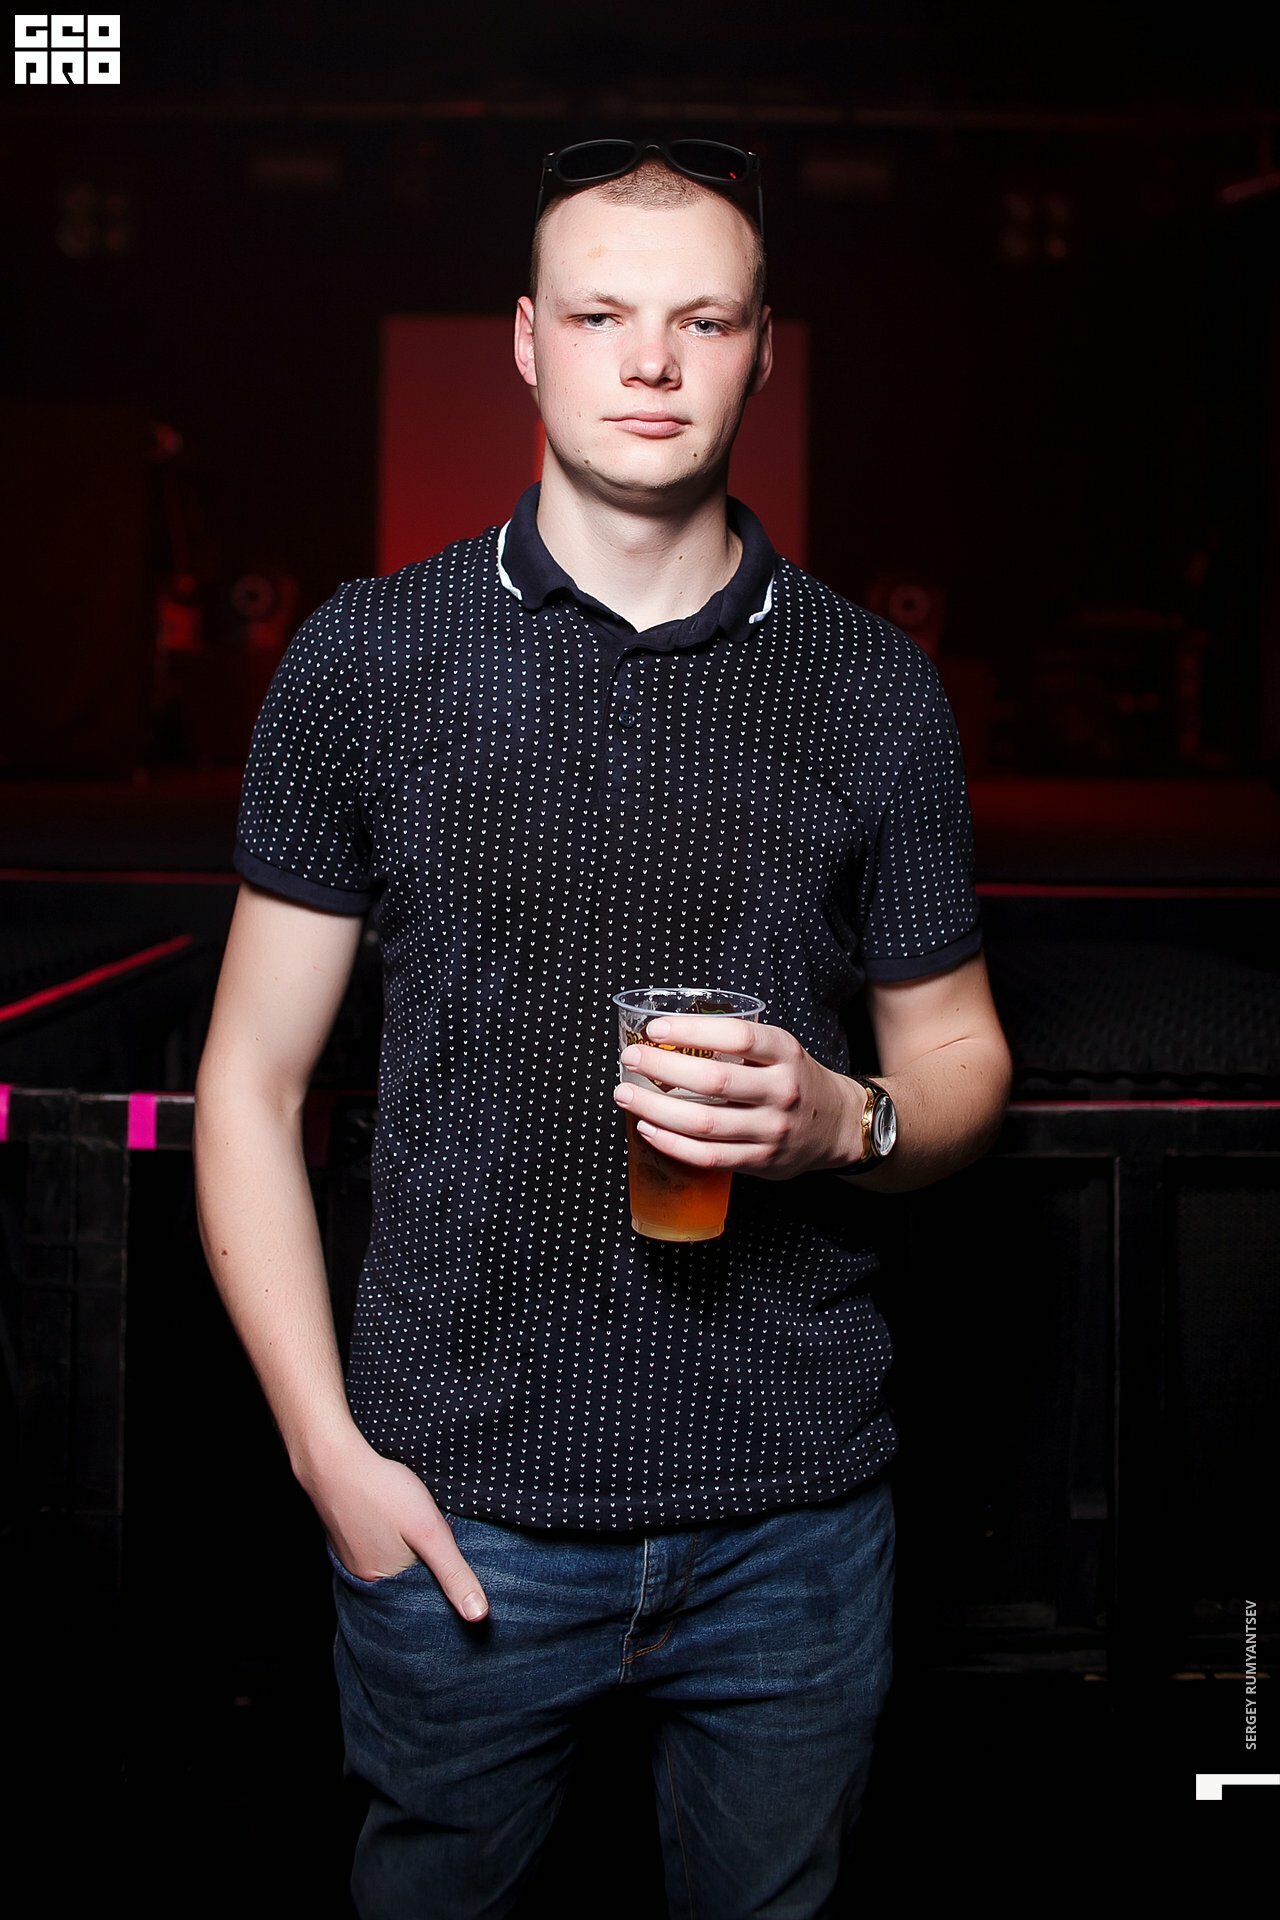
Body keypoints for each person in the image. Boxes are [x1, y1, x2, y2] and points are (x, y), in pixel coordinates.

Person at [193, 136, 1013, 1919]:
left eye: (703, 319)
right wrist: (329, 1458)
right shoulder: (367, 659)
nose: (651, 361)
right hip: (455, 1512)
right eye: (600, 316)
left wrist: (844, 1121)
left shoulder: (873, 687)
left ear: (762, 351)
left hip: (794, 1522)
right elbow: (248, 1081)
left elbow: (961, 1058)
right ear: (524, 340)